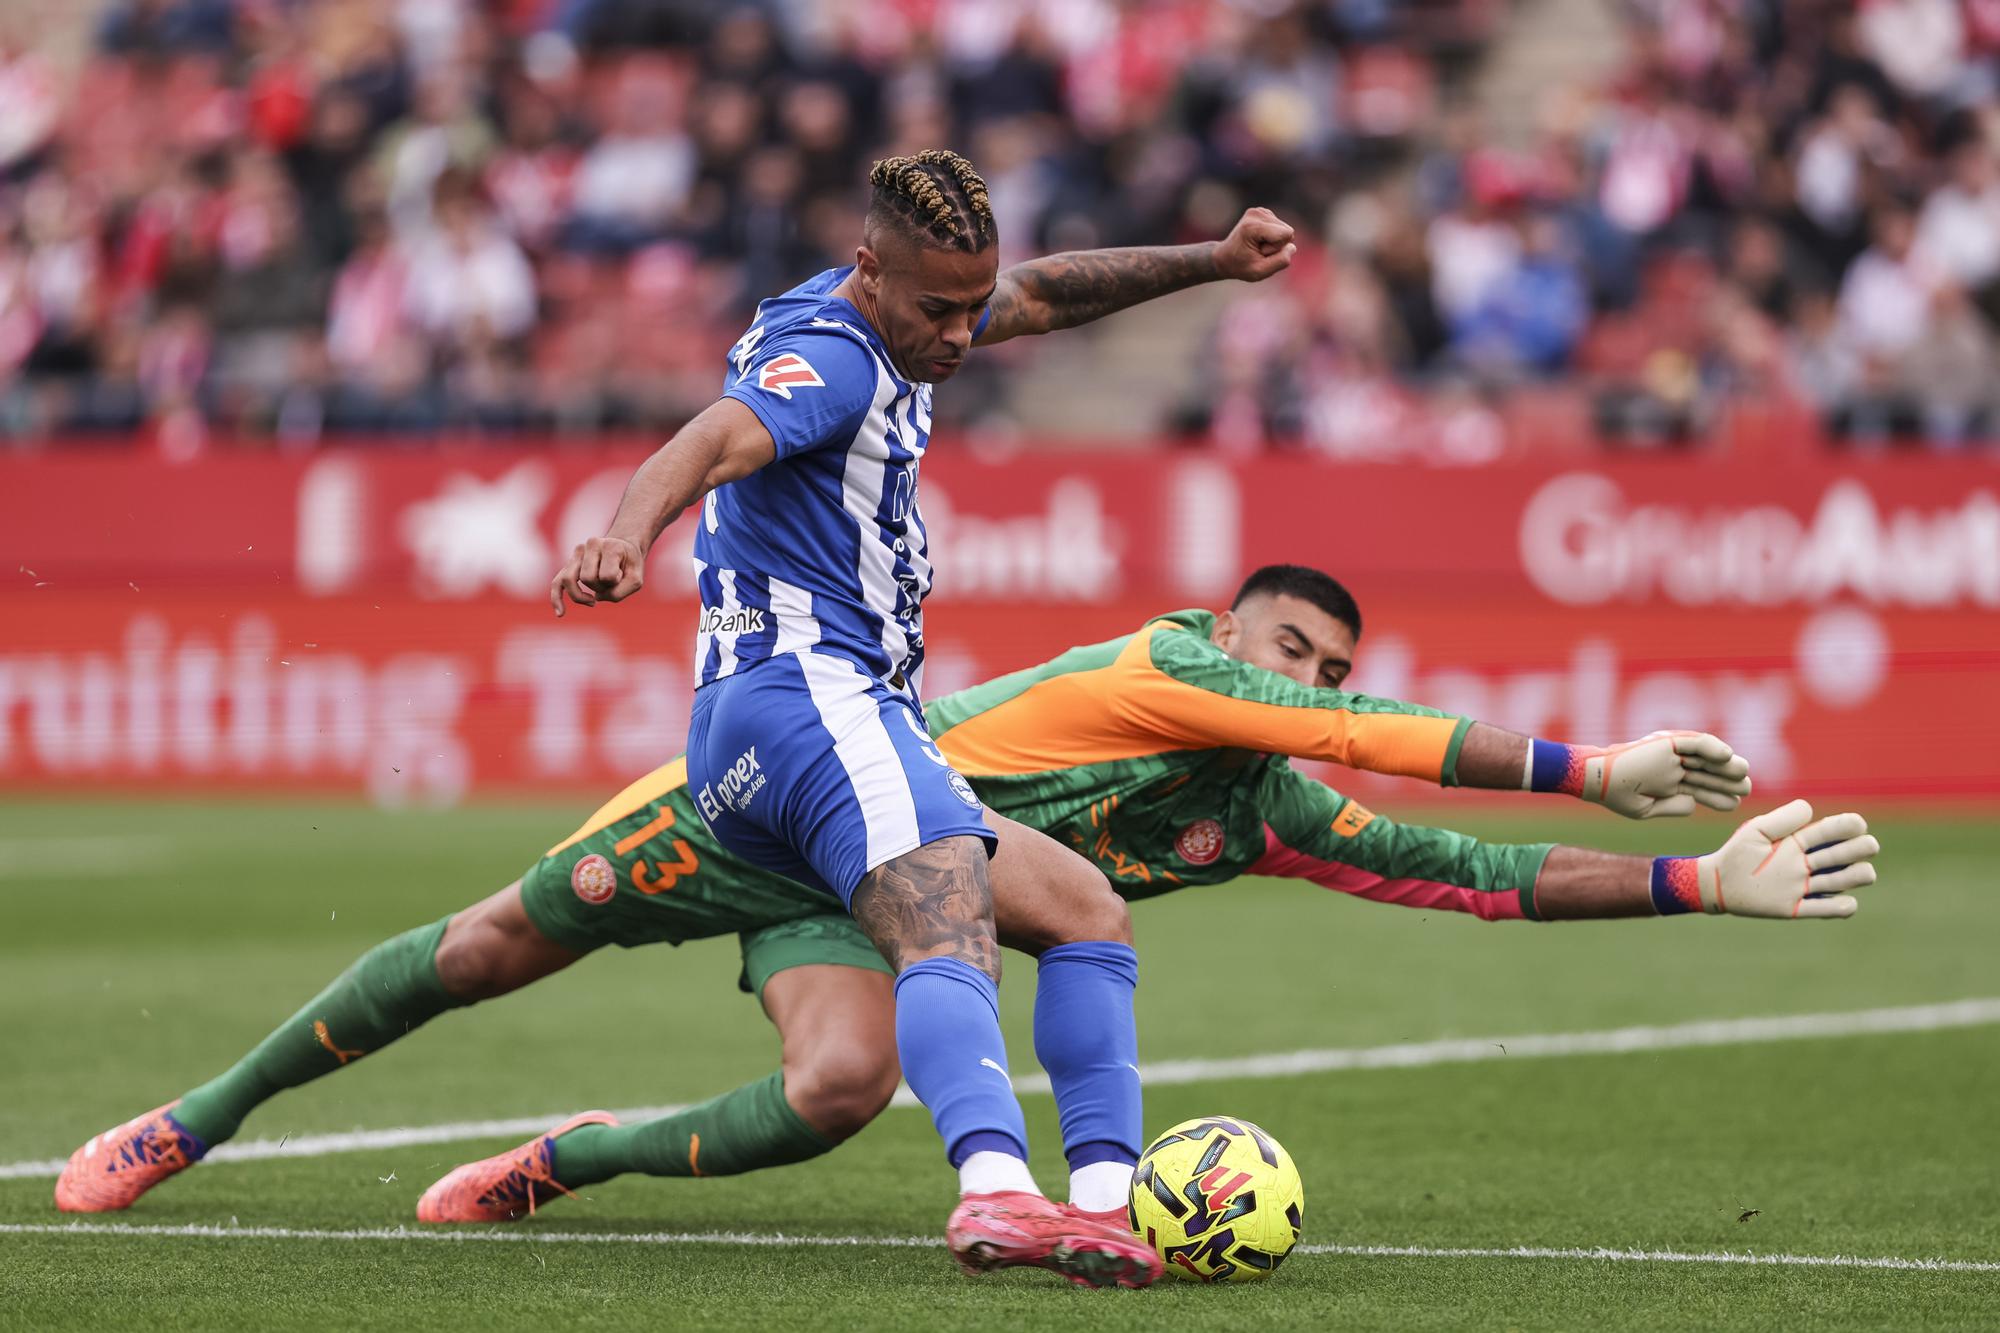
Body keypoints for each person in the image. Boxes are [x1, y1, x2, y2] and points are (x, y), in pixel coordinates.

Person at [57, 568, 1851, 1251]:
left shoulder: (1266, 806)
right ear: (1229, 633)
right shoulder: (1159, 666)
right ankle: (196, 1116)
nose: (1302, 686)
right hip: (777, 805)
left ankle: (566, 1160)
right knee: (476, 951)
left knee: (839, 1089)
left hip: (886, 905)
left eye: (1325, 668)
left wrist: (1700, 879)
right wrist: (1585, 760)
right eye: (1288, 650)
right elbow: (1359, 732)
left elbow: (1471, 876)